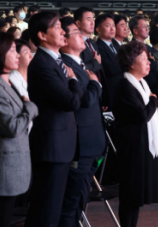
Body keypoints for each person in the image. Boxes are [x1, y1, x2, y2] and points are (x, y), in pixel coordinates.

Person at [25, 12, 83, 227]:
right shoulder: (41, 64)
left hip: (62, 145)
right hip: (52, 147)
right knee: (46, 210)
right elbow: (70, 101)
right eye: (57, 27)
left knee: (54, 207)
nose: (62, 31)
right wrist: (74, 80)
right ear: (42, 35)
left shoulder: (57, 61)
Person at [0, 32, 38, 227]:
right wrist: (30, 108)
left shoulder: (7, 83)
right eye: (12, 50)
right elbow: (11, 127)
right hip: (2, 169)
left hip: (12, 166)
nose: (18, 55)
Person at [58, 17, 104, 227]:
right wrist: (95, 84)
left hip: (92, 142)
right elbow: (83, 101)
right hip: (81, 143)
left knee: (80, 199)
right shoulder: (65, 65)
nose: (82, 36)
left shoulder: (80, 63)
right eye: (76, 32)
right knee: (70, 201)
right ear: (64, 40)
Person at [114, 41, 158, 227]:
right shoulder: (125, 85)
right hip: (131, 146)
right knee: (130, 194)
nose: (149, 62)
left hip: (141, 145)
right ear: (131, 62)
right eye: (144, 58)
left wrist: (151, 101)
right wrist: (153, 102)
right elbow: (141, 115)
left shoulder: (142, 83)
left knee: (136, 196)